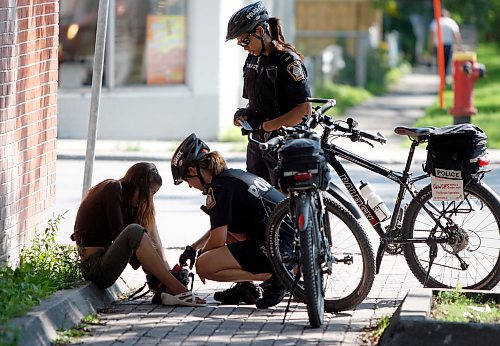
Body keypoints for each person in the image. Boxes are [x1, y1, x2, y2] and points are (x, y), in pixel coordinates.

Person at [172, 133, 293, 308]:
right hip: (288, 244)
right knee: (229, 232)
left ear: (193, 171)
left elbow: (217, 240)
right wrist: (194, 247)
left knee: (204, 265)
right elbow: (222, 229)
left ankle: (277, 277)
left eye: (187, 181)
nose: (191, 186)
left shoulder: (218, 188)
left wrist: (201, 255)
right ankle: (246, 287)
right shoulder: (234, 176)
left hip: (277, 251)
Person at [71, 162, 205, 306]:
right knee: (135, 231)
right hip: (94, 267)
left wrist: (165, 270)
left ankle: (171, 285)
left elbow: (154, 238)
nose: (150, 199)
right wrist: (152, 269)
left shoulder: (127, 201)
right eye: (150, 193)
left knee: (144, 223)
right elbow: (120, 235)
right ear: (139, 186)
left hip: (105, 261)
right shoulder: (113, 188)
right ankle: (178, 290)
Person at [226, 1, 312, 187]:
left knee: (283, 204)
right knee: (259, 203)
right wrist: (244, 115)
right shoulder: (252, 59)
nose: (244, 47)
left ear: (259, 31)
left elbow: (304, 110)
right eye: (240, 43)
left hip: (283, 145)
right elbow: (256, 103)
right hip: (257, 145)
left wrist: (269, 126)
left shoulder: (288, 61)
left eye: (245, 41)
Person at [428, 9, 462, 79]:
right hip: (448, 45)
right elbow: (456, 34)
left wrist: (430, 47)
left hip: (438, 45)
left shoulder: (435, 22)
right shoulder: (451, 22)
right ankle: (444, 76)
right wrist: (459, 46)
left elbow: (431, 35)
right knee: (446, 62)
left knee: (440, 62)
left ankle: (441, 77)